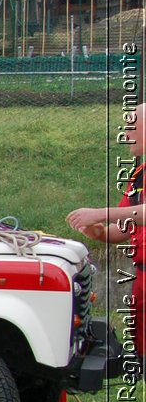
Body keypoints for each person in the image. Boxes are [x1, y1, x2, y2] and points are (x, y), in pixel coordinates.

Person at [67, 106, 143, 351]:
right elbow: (123, 228)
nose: (127, 134)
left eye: (132, 126)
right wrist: (97, 230)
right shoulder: (140, 176)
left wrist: (100, 213)